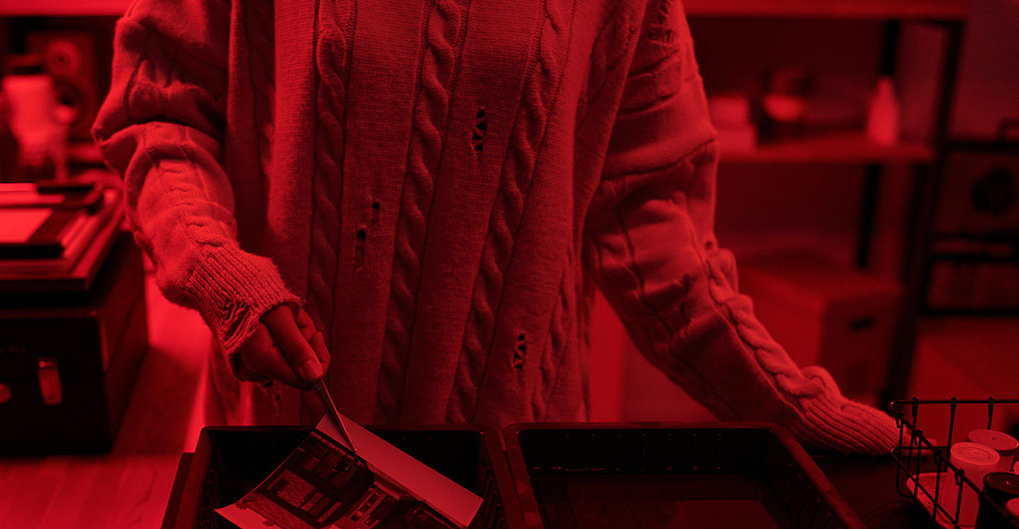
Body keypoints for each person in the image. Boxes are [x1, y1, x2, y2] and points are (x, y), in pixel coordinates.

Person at [92, 0, 896, 455]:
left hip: (514, 466)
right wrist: (216, 268)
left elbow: (656, 231)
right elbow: (159, 117)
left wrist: (793, 407)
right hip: (287, 453)